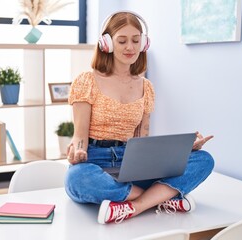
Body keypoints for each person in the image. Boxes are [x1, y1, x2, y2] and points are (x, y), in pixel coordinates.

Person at [64, 11, 214, 225]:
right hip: (95, 160)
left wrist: (184, 152)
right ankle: (160, 198)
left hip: (132, 160)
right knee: (77, 179)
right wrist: (77, 154)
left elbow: (143, 141)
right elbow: (79, 138)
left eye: (136, 40)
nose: (130, 47)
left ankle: (134, 206)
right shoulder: (87, 81)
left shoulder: (146, 86)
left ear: (144, 43)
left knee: (204, 160)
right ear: (107, 43)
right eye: (122, 41)